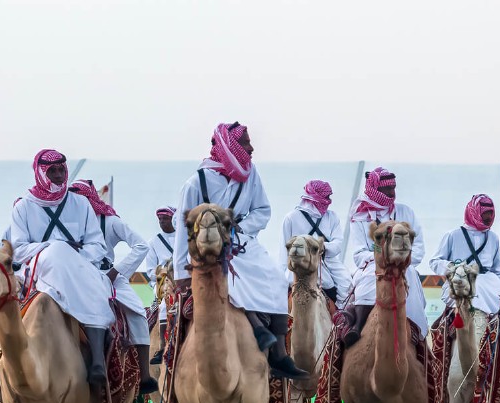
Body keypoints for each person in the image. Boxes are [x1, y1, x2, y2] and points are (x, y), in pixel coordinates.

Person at [172, 122, 306, 379]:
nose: (252, 147)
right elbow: (182, 226)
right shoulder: (195, 183)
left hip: (243, 243)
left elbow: (262, 210)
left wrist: (239, 227)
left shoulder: (250, 174)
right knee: (231, 280)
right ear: (229, 146)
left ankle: (279, 353)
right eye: (245, 142)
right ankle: (255, 329)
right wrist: (180, 270)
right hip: (208, 252)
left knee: (277, 280)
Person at [8, 149, 116, 385]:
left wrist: (75, 253)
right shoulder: (23, 207)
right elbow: (18, 250)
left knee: (104, 291)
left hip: (79, 265)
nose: (58, 175)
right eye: (52, 171)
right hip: (39, 267)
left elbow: (97, 244)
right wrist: (54, 246)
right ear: (40, 173)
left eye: (61, 170)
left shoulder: (80, 203)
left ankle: (99, 359)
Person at [70, 180, 157, 394]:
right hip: (74, 276)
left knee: (137, 312)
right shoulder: (66, 223)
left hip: (107, 275)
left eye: (79, 197)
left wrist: (116, 272)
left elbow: (141, 245)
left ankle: (144, 375)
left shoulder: (109, 222)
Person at [344, 166, 429, 346]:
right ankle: (357, 327)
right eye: (387, 189)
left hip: (404, 265)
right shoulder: (360, 217)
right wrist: (383, 258)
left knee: (411, 275)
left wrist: (401, 259)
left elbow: (419, 247)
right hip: (372, 266)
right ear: (375, 189)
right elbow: (359, 254)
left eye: (393, 188)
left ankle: (416, 334)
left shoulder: (405, 212)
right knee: (368, 279)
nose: (392, 192)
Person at [428, 193, 500, 316]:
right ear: (474, 212)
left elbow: (498, 269)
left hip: (489, 284)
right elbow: (434, 262)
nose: (488, 217)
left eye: (490, 213)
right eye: (485, 213)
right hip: (460, 281)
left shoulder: (493, 237)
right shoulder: (453, 235)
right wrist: (453, 267)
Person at [279, 180, 351, 305]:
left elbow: (338, 244)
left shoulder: (332, 217)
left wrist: (323, 246)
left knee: (347, 286)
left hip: (327, 261)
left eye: (329, 196)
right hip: (298, 263)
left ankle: (341, 317)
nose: (329, 200)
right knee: (278, 293)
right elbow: (283, 252)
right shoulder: (291, 218)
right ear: (315, 197)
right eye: (326, 197)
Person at [147, 206, 175, 365]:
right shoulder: (154, 242)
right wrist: (164, 271)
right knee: (163, 305)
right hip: (162, 281)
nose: (162, 222)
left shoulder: (183, 238)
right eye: (160, 219)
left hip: (183, 279)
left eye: (166, 219)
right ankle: (162, 347)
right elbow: (150, 270)